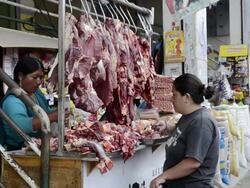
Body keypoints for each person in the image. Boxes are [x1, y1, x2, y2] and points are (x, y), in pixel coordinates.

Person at [150, 73, 219, 188]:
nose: (171, 99)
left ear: (186, 97)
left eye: (174, 95)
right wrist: (168, 127)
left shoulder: (201, 122)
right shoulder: (189, 116)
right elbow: (185, 133)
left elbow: (192, 163)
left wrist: (163, 177)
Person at [0, 56, 58, 151]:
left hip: (36, 148)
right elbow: (21, 125)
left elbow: (45, 110)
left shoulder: (36, 93)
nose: (39, 82)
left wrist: (57, 112)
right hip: (18, 152)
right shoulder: (12, 100)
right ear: (21, 76)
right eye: (35, 77)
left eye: (41, 77)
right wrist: (52, 117)